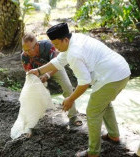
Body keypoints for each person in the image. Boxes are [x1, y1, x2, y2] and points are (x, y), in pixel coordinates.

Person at [27, 23, 131, 157]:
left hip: (112, 76)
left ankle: (93, 152)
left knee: (92, 111)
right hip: (121, 70)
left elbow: (84, 83)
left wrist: (70, 99)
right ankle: (113, 135)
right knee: (103, 103)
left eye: (57, 44)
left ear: (65, 39)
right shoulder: (74, 39)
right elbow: (58, 61)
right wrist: (39, 71)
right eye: (54, 45)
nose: (55, 48)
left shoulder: (74, 54)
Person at [21, 32, 82, 126]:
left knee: (68, 87)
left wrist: (47, 75)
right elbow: (29, 74)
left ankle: (73, 116)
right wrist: (37, 80)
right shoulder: (24, 56)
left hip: (54, 69)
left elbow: (58, 64)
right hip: (38, 73)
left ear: (36, 45)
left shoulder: (48, 46)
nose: (27, 52)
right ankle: (34, 118)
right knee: (31, 91)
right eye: (25, 50)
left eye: (29, 49)